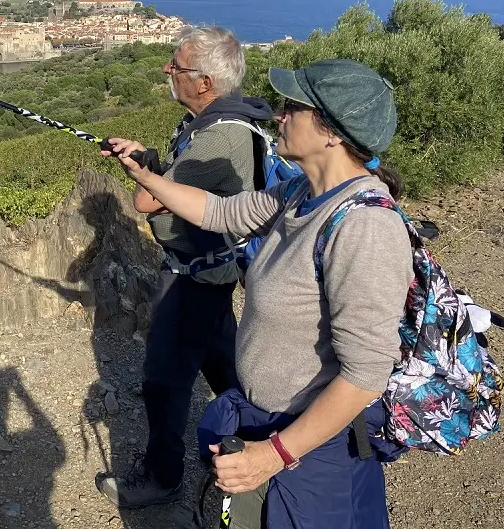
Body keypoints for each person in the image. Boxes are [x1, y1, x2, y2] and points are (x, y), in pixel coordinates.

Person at [103, 58, 413, 528]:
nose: (279, 115)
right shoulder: (298, 193)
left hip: (312, 451)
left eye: (293, 107)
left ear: (331, 132)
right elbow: (221, 212)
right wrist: (147, 177)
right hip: (273, 426)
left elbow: (366, 375)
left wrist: (273, 455)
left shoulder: (365, 226)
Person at [96, 27, 274, 508]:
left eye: (176, 66)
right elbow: (182, 183)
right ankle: (256, 445)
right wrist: (152, 162)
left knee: (164, 380)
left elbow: (144, 201)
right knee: (226, 367)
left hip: (192, 277)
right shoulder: (224, 122)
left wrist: (143, 173)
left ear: (205, 82)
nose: (166, 71)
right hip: (215, 272)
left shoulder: (219, 139)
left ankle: (161, 476)